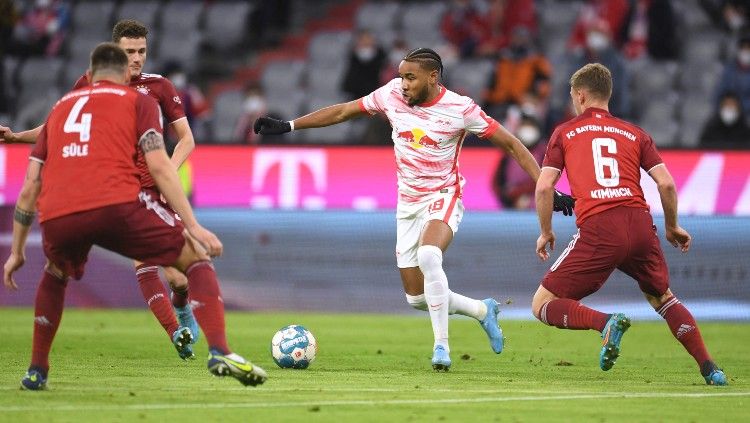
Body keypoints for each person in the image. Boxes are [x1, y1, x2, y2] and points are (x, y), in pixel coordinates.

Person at [253, 48, 574, 371]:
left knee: (429, 256)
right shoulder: (391, 94)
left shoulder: (461, 109)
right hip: (407, 203)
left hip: (444, 194)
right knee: (417, 298)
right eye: (402, 76)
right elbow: (343, 112)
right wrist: (290, 126)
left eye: (410, 77)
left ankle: (441, 348)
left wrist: (544, 185)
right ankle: (481, 310)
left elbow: (512, 144)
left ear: (432, 77)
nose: (403, 83)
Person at [3, 42, 267, 390]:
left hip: (59, 211)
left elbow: (30, 186)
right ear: (122, 72)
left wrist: (17, 251)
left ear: (91, 73)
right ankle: (219, 350)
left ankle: (36, 371)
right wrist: (193, 225)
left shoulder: (60, 110)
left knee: (55, 273)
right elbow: (158, 164)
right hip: (117, 204)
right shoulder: (138, 101)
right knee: (195, 257)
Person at [0, 19, 200, 360]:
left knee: (180, 280)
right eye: (129, 52)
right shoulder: (91, 84)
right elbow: (58, 125)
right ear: (116, 54)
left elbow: (187, 140)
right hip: (120, 189)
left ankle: (182, 309)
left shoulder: (160, 88)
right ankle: (176, 333)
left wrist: (165, 170)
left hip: (156, 187)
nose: (136, 59)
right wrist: (18, 137)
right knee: (146, 263)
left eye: (141, 52)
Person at [532, 63, 727, 386]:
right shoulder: (635, 133)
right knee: (663, 298)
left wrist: (546, 231)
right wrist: (672, 226)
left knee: (542, 305)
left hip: (599, 226)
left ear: (580, 96)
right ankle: (710, 368)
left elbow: (543, 187)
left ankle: (605, 324)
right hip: (639, 224)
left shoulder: (565, 132)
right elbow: (665, 183)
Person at [492, 114, 546, 210]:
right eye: (524, 125)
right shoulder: (508, 152)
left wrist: (520, 192)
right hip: (510, 206)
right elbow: (497, 182)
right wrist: (507, 197)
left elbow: (544, 180)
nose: (527, 130)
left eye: (530, 125)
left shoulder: (543, 153)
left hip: (536, 204)